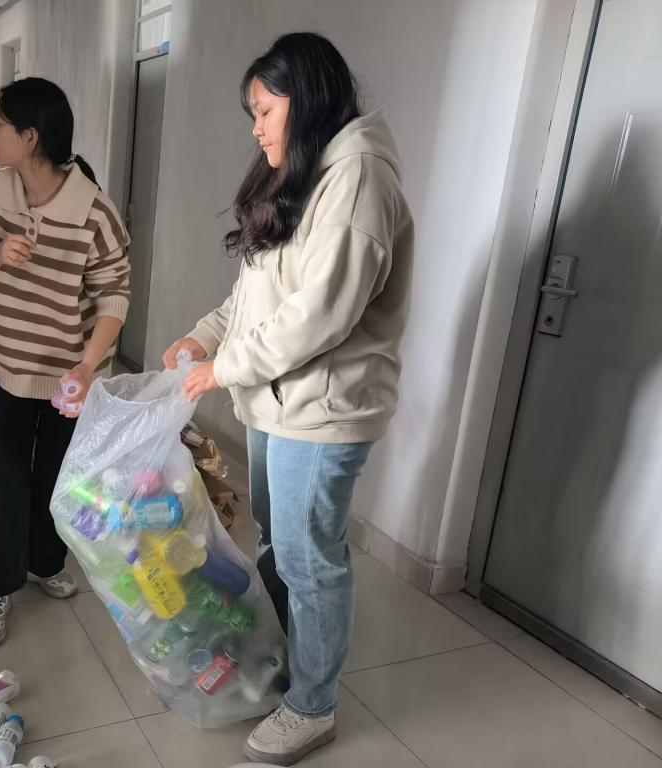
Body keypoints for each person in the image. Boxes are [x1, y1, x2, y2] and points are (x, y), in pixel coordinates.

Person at [163, 32, 413, 765]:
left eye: (265, 111)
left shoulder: (358, 176)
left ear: (305, 102)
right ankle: (287, 667)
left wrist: (226, 366)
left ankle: (313, 705)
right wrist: (204, 337)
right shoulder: (303, 175)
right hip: (279, 403)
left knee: (310, 561)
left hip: (323, 411)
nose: (257, 128)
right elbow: (256, 295)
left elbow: (320, 313)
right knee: (280, 545)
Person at [0, 77, 131, 646]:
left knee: (58, 477)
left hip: (67, 376)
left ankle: (46, 562)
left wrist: (87, 367)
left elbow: (114, 296)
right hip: (6, 366)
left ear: (29, 137)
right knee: (1, 478)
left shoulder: (94, 211)